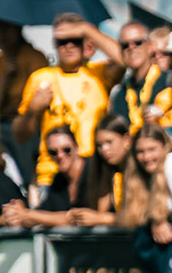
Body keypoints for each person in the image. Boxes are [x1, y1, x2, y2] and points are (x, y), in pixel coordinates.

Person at [13, 12, 111, 187]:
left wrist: (86, 29)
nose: (69, 46)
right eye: (62, 41)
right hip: (52, 174)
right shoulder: (41, 78)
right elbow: (19, 135)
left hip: (91, 170)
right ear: (54, 45)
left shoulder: (98, 74)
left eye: (75, 40)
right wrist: (32, 111)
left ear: (85, 43)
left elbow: (123, 59)